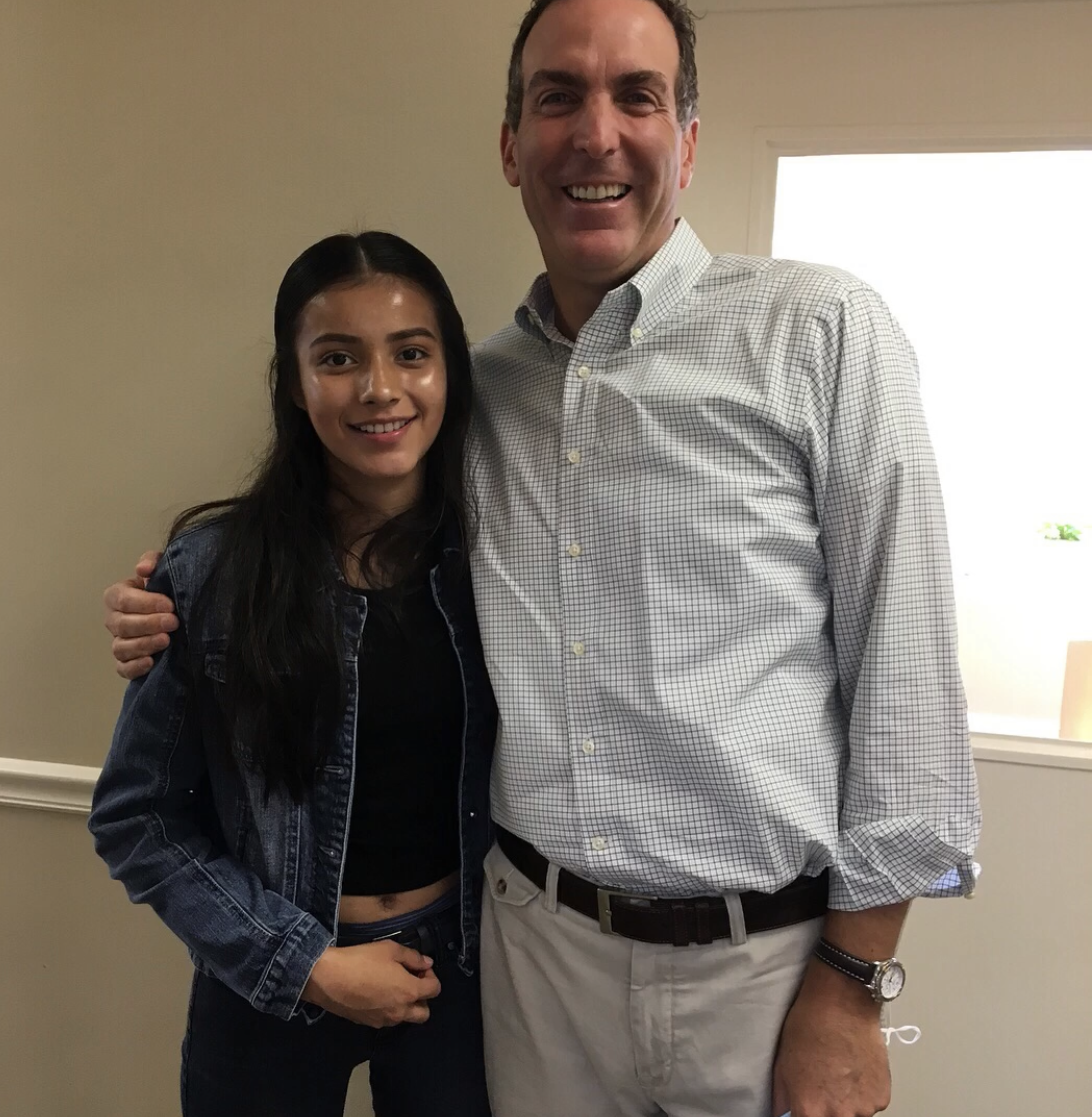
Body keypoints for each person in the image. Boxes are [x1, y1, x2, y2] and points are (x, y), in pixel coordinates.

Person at [104, 1, 981, 1115]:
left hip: (761, 969)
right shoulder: (473, 392)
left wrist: (854, 986)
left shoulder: (821, 333)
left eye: (638, 96)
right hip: (527, 965)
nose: (596, 133)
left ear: (691, 138)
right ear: (512, 144)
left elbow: (907, 678)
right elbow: (332, 527)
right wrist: (167, 594)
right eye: (557, 95)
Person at [90, 231, 495, 1117]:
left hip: (460, 973)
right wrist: (306, 964)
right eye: (338, 357)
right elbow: (138, 816)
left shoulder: (501, 564)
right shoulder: (211, 573)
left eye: (412, 353)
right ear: (294, 383)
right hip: (269, 978)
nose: (380, 388)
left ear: (450, 371)